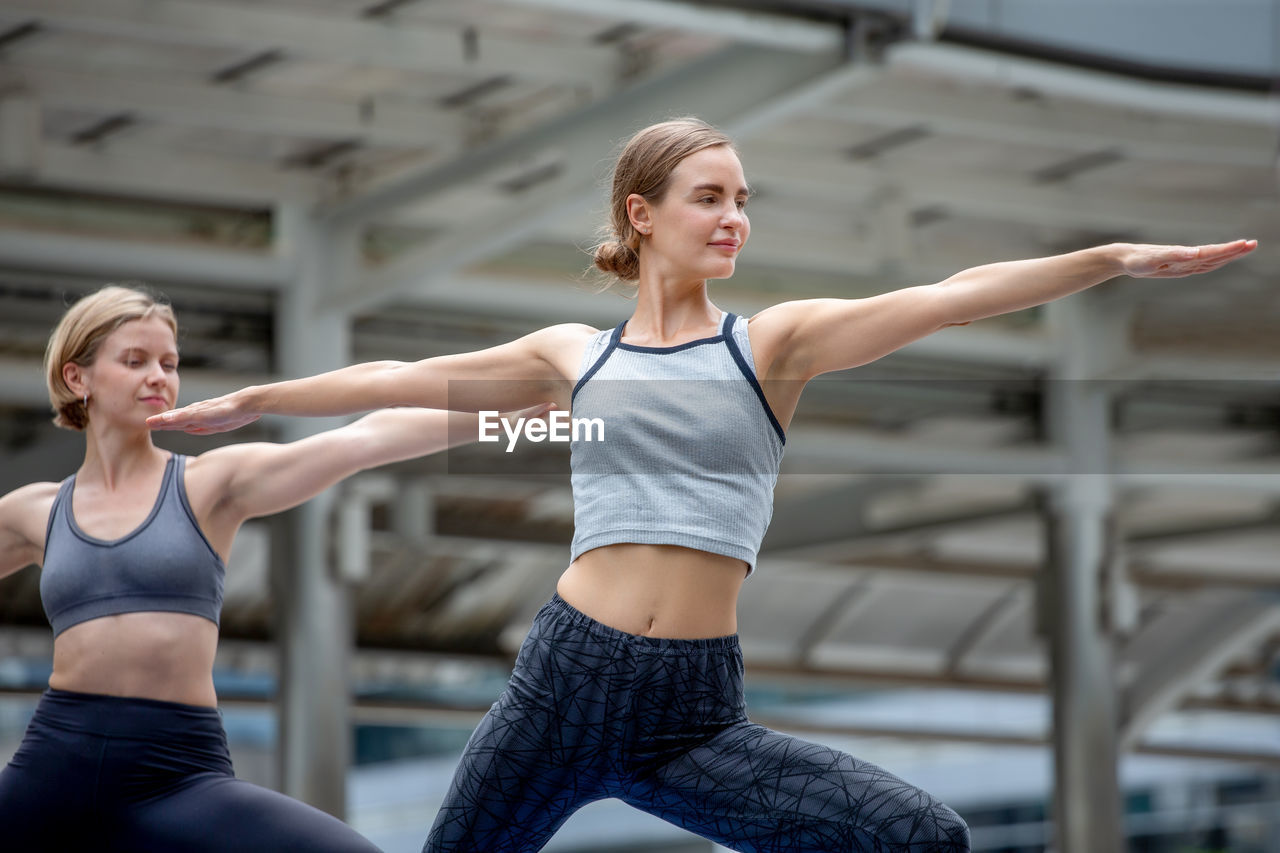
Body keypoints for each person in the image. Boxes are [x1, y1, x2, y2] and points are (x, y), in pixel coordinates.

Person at [149, 118, 1257, 853]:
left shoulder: (771, 344)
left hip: (692, 712)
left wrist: (1106, 258)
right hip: (561, 687)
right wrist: (262, 398)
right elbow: (401, 378)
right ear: (641, 214)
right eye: (707, 196)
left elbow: (954, 294)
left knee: (920, 836)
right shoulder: (572, 356)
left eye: (743, 199)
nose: (733, 216)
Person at [0, 284, 547, 852]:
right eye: (134, 361)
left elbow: (369, 439)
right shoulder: (33, 511)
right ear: (77, 378)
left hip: (175, 772)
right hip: (54, 764)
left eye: (169, 362)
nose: (158, 376)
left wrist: (514, 414)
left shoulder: (209, 484)